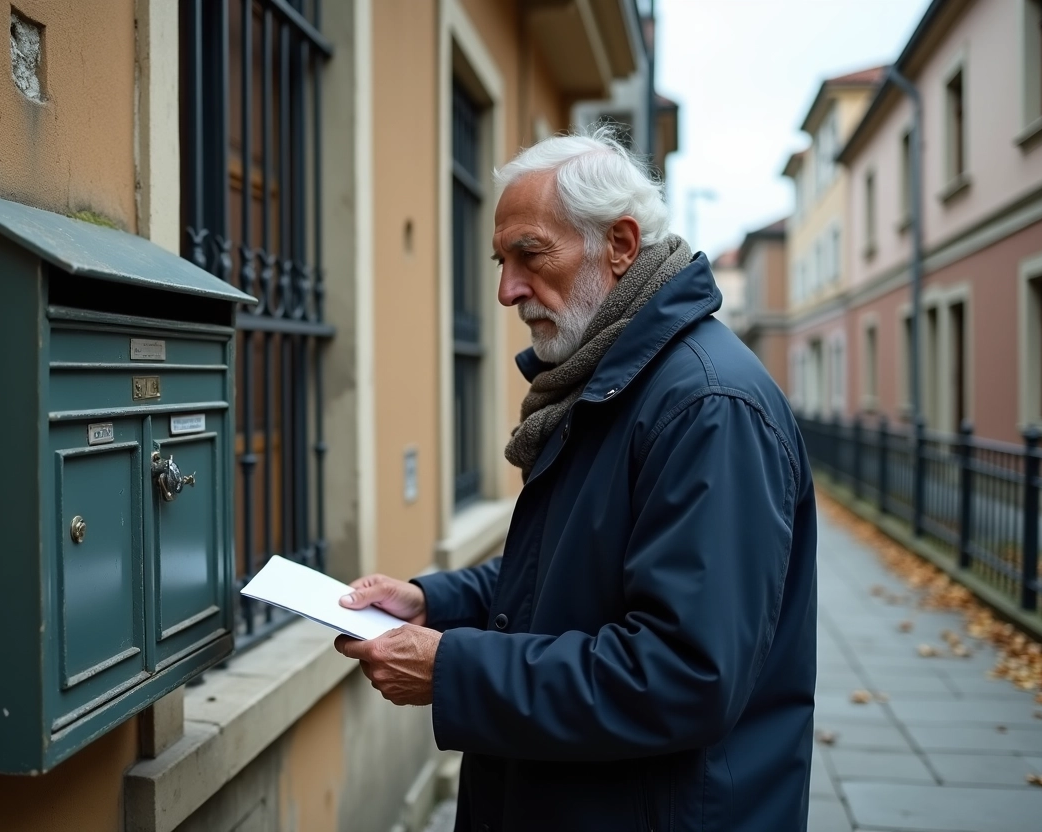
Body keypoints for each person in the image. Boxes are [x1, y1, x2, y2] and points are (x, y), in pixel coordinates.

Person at [335, 127, 817, 831]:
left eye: (530, 254)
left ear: (620, 244)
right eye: (501, 261)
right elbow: (570, 571)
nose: (507, 290)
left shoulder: (706, 406)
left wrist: (454, 670)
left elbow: (684, 674)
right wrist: (433, 601)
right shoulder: (613, 379)